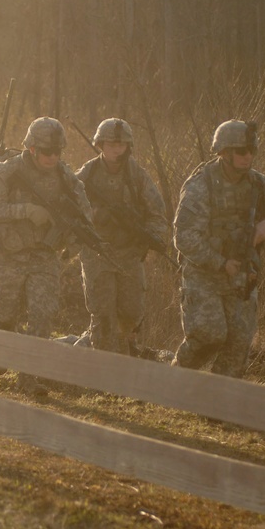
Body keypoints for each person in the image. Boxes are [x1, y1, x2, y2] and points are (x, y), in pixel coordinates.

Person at [0, 116, 92, 396]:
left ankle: (29, 380)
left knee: (42, 317)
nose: (52, 157)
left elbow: (84, 215)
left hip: (44, 258)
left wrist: (72, 242)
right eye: (46, 152)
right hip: (9, 254)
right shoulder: (7, 171)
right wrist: (26, 210)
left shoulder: (66, 177)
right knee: (3, 314)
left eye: (57, 152)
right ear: (31, 149)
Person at [171, 120, 265, 377]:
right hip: (204, 275)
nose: (247, 156)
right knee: (210, 335)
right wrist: (219, 262)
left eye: (251, 150)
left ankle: (216, 408)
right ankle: (175, 379)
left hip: (241, 277)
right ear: (224, 152)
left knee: (239, 345)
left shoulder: (258, 184)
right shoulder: (201, 184)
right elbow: (184, 236)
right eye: (240, 151)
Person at [76, 118, 169, 356]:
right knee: (103, 314)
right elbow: (69, 206)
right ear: (100, 145)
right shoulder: (87, 173)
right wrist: (96, 214)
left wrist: (150, 239)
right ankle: (104, 372)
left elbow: (157, 212)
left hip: (129, 253)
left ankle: (127, 357)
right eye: (111, 144)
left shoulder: (136, 175)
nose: (117, 149)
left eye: (122, 144)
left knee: (131, 313)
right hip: (98, 252)